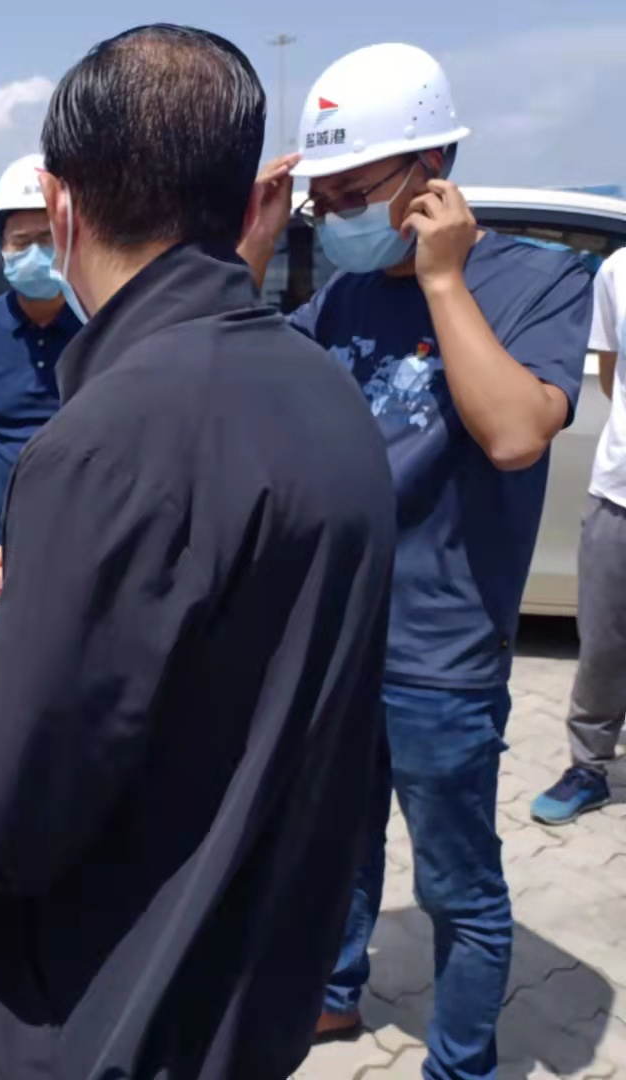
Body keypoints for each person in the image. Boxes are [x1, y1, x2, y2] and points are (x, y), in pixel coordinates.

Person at [0, 26, 396, 1080]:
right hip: (257, 989)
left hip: (126, 1017)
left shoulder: (106, 443)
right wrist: (74, 584)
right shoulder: (322, 385)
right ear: (245, 201)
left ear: (60, 206)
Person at [239, 43, 592, 1080]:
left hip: (441, 653)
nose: (336, 215)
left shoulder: (537, 279)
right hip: (338, 639)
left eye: (356, 193)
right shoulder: (342, 298)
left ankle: (461, 1063)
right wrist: (253, 247)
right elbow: (240, 374)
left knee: (456, 886)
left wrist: (442, 280)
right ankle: (333, 991)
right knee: (339, 844)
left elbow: (517, 433)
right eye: (324, 199)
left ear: (432, 170)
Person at [0, 154, 81, 564]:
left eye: (48, 239)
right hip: (5, 544)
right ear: (2, 248)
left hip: (89, 535)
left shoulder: (102, 324)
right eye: (22, 243)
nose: (36, 253)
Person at [532, 246, 626, 824]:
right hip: (619, 491)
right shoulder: (618, 270)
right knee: (604, 641)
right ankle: (589, 767)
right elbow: (612, 373)